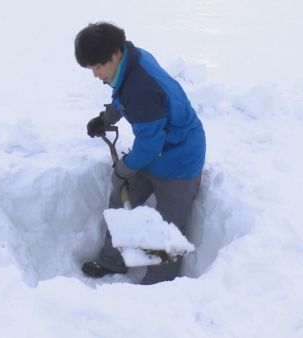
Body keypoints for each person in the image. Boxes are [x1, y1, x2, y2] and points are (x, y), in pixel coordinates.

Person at [75, 22, 206, 285]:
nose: (95, 74)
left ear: (114, 55)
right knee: (121, 202)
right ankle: (113, 260)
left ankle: (158, 285)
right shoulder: (131, 60)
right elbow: (125, 98)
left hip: (179, 160)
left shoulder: (141, 86)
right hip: (154, 152)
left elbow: (149, 143)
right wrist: (107, 117)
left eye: (97, 67)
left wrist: (124, 169)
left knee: (168, 229)